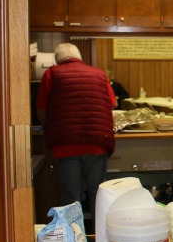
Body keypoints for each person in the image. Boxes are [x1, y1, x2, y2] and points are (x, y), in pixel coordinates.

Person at [36, 43, 117, 227]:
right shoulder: (99, 74)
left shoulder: (52, 74)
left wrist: (49, 127)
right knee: (98, 194)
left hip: (66, 146)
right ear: (79, 56)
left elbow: (41, 110)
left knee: (72, 197)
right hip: (97, 143)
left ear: (58, 59)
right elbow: (112, 104)